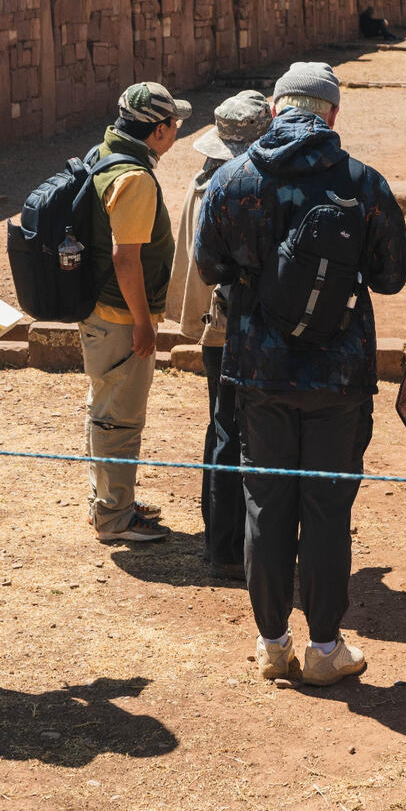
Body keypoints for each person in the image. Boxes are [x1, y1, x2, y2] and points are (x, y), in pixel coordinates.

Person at [195, 62, 406, 685]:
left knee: (265, 502)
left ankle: (271, 642)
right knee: (326, 508)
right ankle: (323, 647)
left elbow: (209, 267)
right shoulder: (363, 184)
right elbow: (392, 277)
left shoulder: (233, 179)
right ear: (332, 114)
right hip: (338, 378)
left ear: (277, 108)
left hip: (259, 372)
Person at [166, 89, 270, 577]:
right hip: (233, 326)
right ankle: (228, 547)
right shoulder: (235, 187)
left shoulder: (201, 179)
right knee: (237, 433)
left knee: (220, 428)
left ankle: (218, 539)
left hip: (213, 328)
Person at [82, 82, 191, 544]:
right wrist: (144, 323)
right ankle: (115, 517)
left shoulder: (103, 153)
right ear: (159, 130)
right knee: (120, 419)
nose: (177, 131)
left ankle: (112, 500)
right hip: (120, 318)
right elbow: (126, 259)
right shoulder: (135, 179)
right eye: (175, 124)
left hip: (100, 310)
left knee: (106, 410)